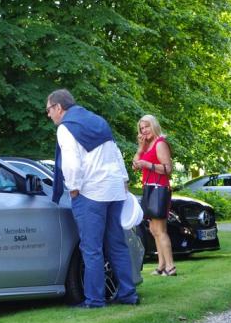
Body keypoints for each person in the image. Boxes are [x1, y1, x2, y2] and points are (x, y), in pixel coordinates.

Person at [46, 89, 139, 308]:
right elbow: (115, 153)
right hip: (115, 189)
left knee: (91, 248)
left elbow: (71, 161)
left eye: (49, 110)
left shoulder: (66, 127)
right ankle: (127, 293)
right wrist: (124, 180)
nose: (48, 115)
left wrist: (73, 187)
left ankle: (95, 299)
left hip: (91, 192)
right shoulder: (98, 121)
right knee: (117, 244)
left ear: (59, 107)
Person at [132, 115, 176, 276]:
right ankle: (161, 265)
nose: (144, 131)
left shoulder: (160, 143)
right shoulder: (147, 146)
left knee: (160, 229)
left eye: (147, 127)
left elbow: (168, 168)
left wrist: (147, 165)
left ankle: (170, 267)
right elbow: (135, 165)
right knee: (153, 229)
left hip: (159, 189)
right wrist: (140, 148)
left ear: (154, 126)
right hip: (150, 189)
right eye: (141, 128)